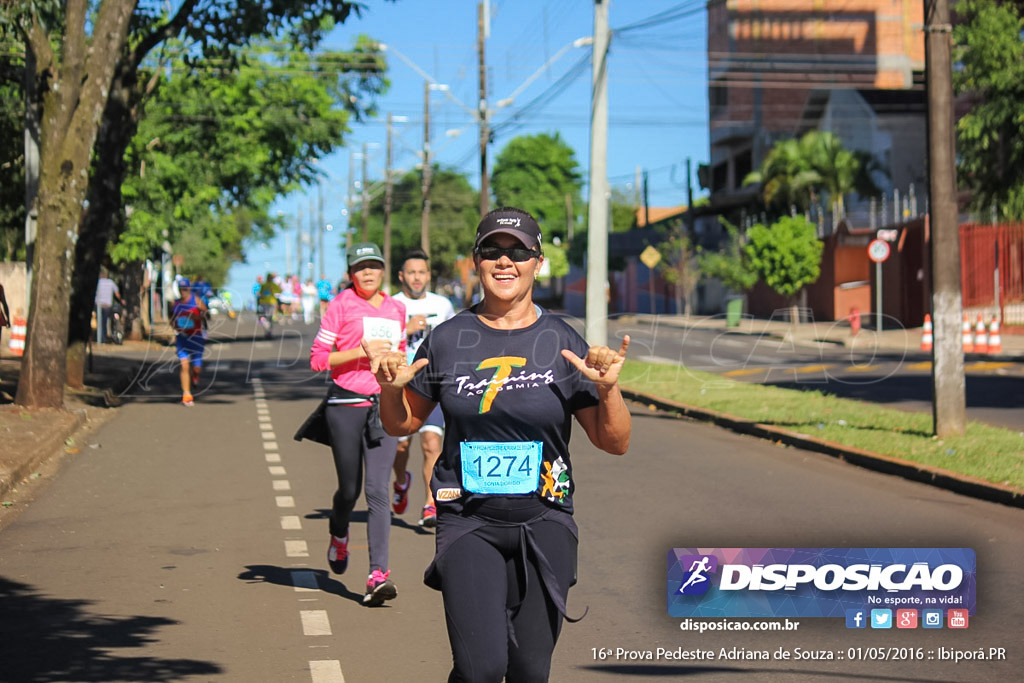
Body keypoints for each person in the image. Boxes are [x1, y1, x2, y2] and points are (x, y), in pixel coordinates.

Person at [367, 207, 631, 681]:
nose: (504, 261)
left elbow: (614, 443)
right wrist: (390, 389)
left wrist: (609, 390)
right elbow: (402, 425)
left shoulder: (561, 341)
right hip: (468, 521)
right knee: (481, 669)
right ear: (477, 260)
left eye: (518, 252)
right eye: (492, 250)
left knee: (530, 671)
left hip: (545, 521)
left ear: (538, 261)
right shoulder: (447, 339)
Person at [308, 242, 407, 606]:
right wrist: (362, 352)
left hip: (384, 405)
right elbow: (319, 360)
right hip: (345, 403)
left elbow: (402, 352)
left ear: (382, 270)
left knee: (378, 490)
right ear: (351, 273)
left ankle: (378, 575)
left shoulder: (396, 308)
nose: (367, 272)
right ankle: (338, 531)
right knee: (349, 490)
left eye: (374, 266)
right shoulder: (341, 305)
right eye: (360, 267)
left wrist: (400, 367)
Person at [389, 249, 456, 528]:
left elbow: (456, 339)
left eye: (422, 273)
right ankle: (402, 481)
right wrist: (406, 328)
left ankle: (431, 503)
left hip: (434, 384)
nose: (417, 278)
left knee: (432, 445)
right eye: (412, 273)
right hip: (402, 385)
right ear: (402, 276)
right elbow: (377, 342)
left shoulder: (442, 305)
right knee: (402, 446)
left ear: (428, 276)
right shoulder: (391, 305)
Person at [170, 278, 208, 406]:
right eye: (181, 289)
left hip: (196, 338)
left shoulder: (196, 301)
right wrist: (175, 327)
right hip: (182, 338)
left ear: (189, 289)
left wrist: (197, 316)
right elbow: (172, 319)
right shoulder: (175, 304)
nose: (183, 292)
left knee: (196, 368)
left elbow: (206, 315)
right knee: (184, 366)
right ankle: (186, 394)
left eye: (185, 289)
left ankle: (195, 376)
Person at [94, 269, 123, 344]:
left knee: (99, 322)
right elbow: (117, 294)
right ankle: (103, 338)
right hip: (107, 305)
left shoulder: (97, 282)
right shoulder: (111, 282)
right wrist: (121, 300)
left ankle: (100, 338)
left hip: (98, 304)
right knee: (104, 322)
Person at [257, 273, 281, 338]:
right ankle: (268, 331)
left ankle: (268, 332)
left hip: (268, 302)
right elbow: (280, 290)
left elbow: (260, 293)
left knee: (269, 318)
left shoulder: (265, 285)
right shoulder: (271, 285)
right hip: (269, 303)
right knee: (268, 318)